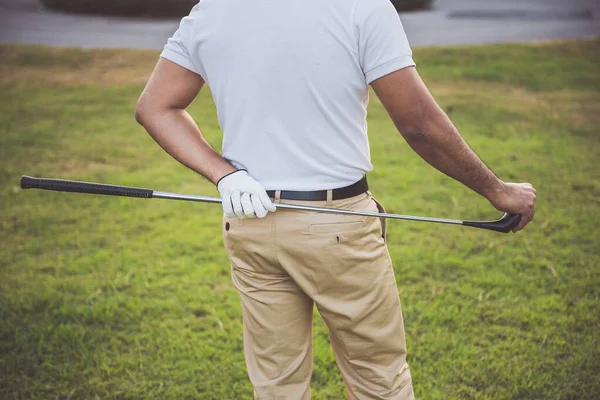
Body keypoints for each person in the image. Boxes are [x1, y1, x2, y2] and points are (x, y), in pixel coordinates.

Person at [135, 0, 537, 398]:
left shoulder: (214, 9)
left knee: (277, 387)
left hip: (250, 225)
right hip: (337, 229)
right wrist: (498, 191)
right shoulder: (362, 7)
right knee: (379, 381)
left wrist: (227, 176)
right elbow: (420, 127)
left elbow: (155, 107)